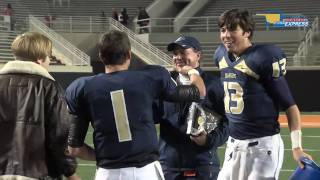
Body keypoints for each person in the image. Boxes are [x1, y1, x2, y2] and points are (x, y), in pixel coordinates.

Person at [65, 30, 206, 180]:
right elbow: (198, 92)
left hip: (108, 172)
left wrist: (103, 155)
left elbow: (74, 149)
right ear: (129, 55)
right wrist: (193, 72)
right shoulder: (150, 77)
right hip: (146, 172)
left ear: (100, 56)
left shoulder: (81, 87)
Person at [213, 9, 312, 180]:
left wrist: (296, 147)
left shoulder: (263, 57)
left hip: (262, 146)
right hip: (233, 145)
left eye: (232, 29)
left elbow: (290, 106)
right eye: (223, 30)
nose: (226, 35)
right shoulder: (220, 55)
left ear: (247, 32)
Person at [0, 32, 79, 180]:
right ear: (40, 59)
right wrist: (70, 173)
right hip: (39, 174)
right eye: (49, 57)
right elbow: (58, 137)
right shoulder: (50, 88)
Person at [158, 36, 229, 180]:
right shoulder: (165, 84)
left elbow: (228, 123)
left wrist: (208, 140)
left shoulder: (214, 85)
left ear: (198, 55)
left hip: (201, 166)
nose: (178, 57)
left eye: (183, 52)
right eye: (175, 54)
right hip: (168, 166)